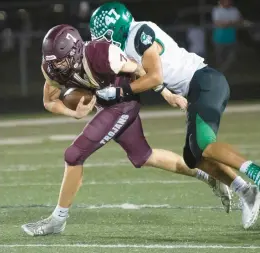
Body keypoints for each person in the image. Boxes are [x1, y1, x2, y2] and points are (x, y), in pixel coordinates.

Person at [21, 24, 231, 236]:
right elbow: (49, 101)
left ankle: (58, 219)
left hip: (123, 102)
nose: (56, 66)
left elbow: (140, 70)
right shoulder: (51, 67)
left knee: (74, 154)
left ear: (75, 51)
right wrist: (73, 114)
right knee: (144, 156)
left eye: (60, 60)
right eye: (52, 60)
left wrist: (166, 93)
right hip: (105, 103)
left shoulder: (102, 53)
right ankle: (209, 176)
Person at [90, 2, 260, 229]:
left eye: (105, 37)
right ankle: (247, 192)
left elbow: (154, 76)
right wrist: (168, 95)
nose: (105, 44)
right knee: (194, 157)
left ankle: (256, 174)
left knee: (203, 144)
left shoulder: (139, 33)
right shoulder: (131, 43)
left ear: (116, 28)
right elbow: (147, 74)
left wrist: (118, 92)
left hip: (205, 81)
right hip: (196, 89)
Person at [212, 0, 243, 71]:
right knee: (220, 57)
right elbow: (217, 23)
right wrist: (231, 23)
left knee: (232, 56)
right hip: (219, 38)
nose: (228, 2)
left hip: (232, 37)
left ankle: (225, 70)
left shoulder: (234, 10)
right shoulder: (217, 10)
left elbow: (240, 21)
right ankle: (220, 71)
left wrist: (226, 23)